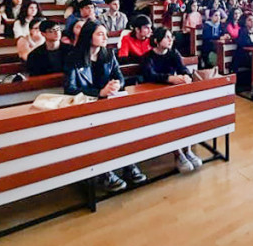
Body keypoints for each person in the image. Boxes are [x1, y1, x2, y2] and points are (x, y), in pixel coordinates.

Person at [65, 22, 145, 189]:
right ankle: (104, 172)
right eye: (100, 34)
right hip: (87, 108)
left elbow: (120, 77)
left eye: (105, 34)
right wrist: (99, 93)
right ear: (89, 36)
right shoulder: (74, 57)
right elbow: (70, 89)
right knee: (100, 132)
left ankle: (128, 165)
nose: (105, 37)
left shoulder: (108, 54)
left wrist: (116, 84)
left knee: (125, 127)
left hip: (109, 104)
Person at [141, 27, 202, 173]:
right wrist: (169, 78)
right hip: (153, 97)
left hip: (171, 93)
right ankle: (178, 154)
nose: (170, 40)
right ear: (156, 40)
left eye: (171, 37)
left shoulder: (173, 53)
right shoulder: (147, 56)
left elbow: (183, 69)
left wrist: (185, 76)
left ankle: (187, 150)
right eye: (167, 37)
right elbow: (150, 76)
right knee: (171, 117)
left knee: (185, 113)